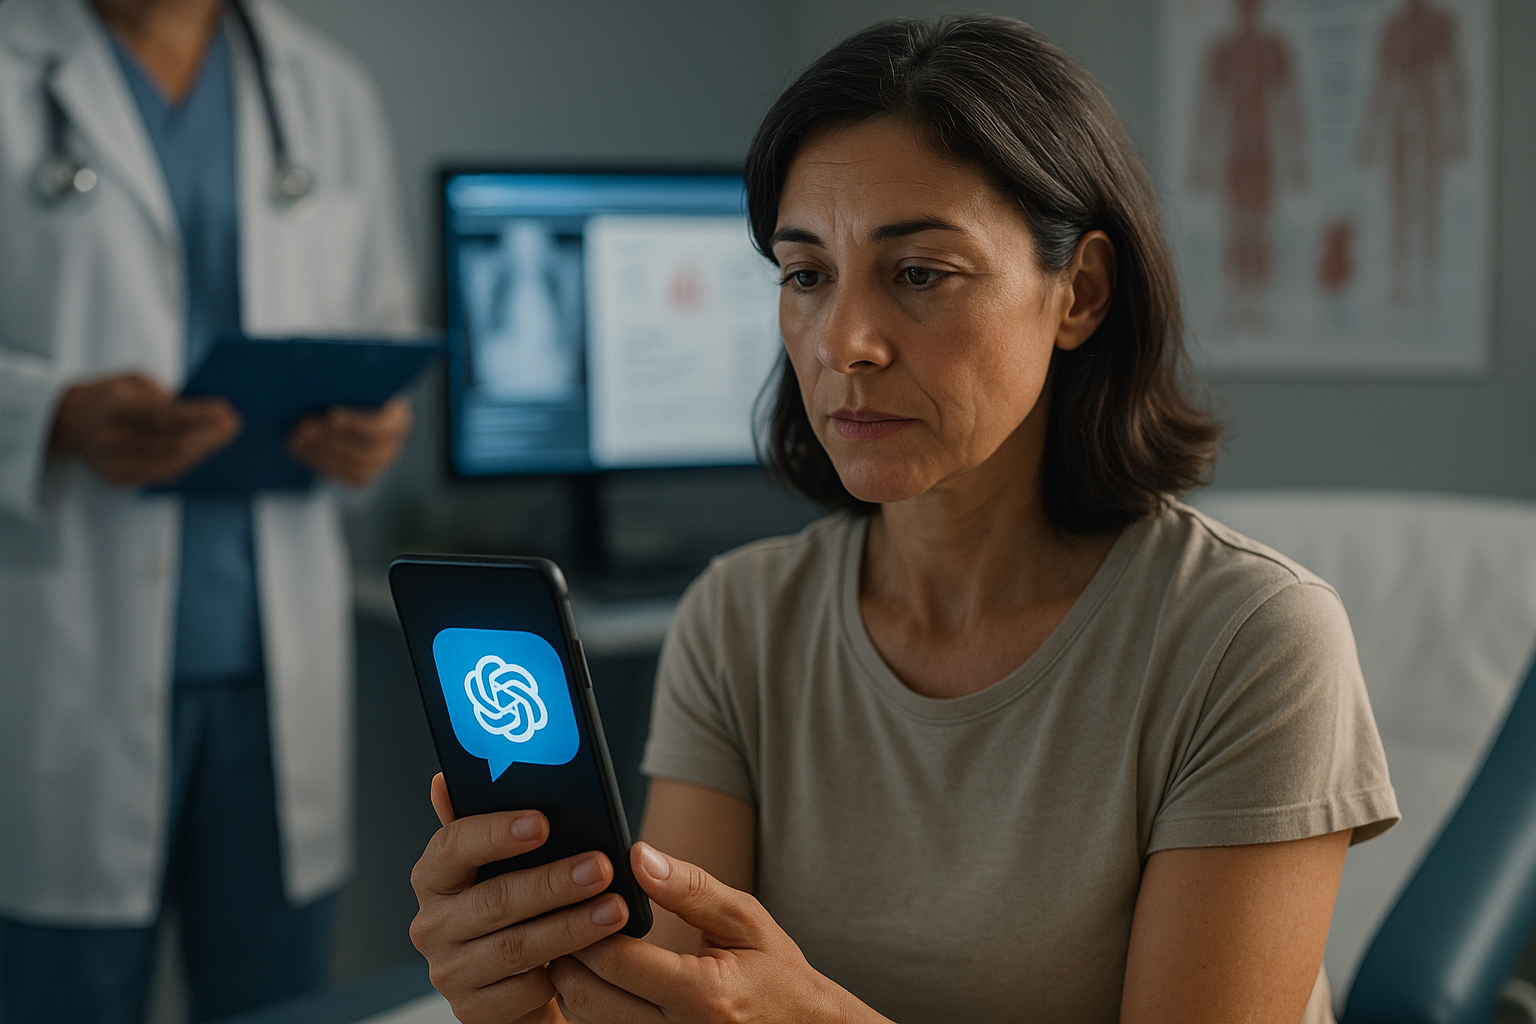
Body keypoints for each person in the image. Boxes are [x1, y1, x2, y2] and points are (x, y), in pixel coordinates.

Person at [407, 16, 1399, 1024]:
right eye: (806, 275)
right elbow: (673, 1006)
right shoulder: (740, 619)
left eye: (920, 273)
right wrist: (529, 1006)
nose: (844, 342)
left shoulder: (1251, 641)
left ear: (1080, 294)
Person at [0, 0, 417, 1020]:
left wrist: (375, 426)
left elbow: (381, 326)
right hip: (64, 650)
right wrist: (49, 413)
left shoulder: (325, 92)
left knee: (277, 998)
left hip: (274, 660)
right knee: (67, 988)